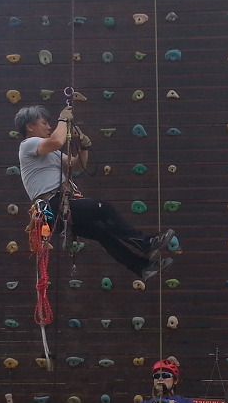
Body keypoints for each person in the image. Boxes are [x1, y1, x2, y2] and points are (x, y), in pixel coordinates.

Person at [16, 104, 175, 280]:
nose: (49, 127)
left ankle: (142, 267)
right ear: (30, 127)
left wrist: (83, 147)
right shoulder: (28, 145)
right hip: (53, 203)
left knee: (102, 232)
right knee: (103, 208)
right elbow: (57, 141)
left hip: (55, 208)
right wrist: (63, 118)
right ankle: (147, 244)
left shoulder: (49, 154)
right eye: (44, 123)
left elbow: (77, 165)